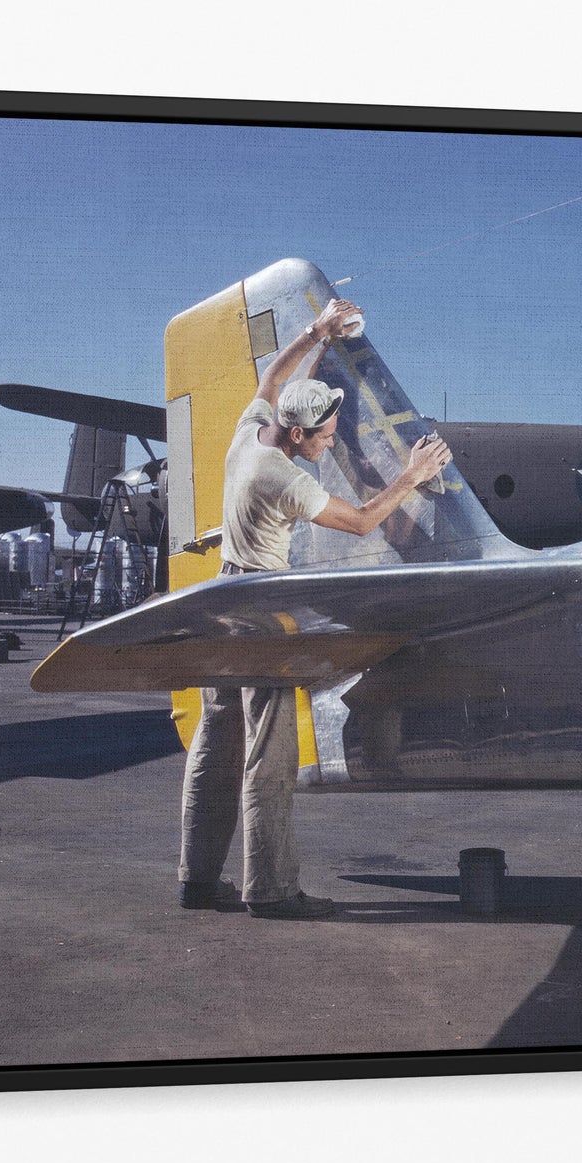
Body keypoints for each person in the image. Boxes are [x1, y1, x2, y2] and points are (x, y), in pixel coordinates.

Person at [178, 297, 452, 919]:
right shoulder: (284, 477)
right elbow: (360, 521)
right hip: (261, 608)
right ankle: (272, 891)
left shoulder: (250, 434)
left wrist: (317, 334)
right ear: (297, 434)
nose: (331, 445)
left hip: (222, 601)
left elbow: (273, 379)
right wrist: (411, 475)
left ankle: (197, 880)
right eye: (325, 437)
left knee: (216, 741)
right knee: (269, 755)